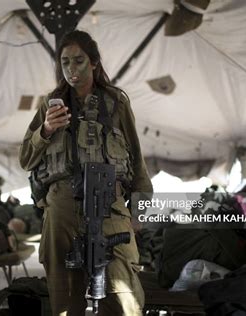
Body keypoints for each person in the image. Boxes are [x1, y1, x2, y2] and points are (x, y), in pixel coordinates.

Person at [19, 30, 153, 315]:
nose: (71, 69)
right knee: (66, 299)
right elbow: (25, 159)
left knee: (123, 298)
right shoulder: (50, 104)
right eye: (65, 62)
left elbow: (137, 160)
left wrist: (140, 212)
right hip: (62, 208)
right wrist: (46, 130)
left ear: (93, 62)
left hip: (109, 205)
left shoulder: (116, 102)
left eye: (79, 61)